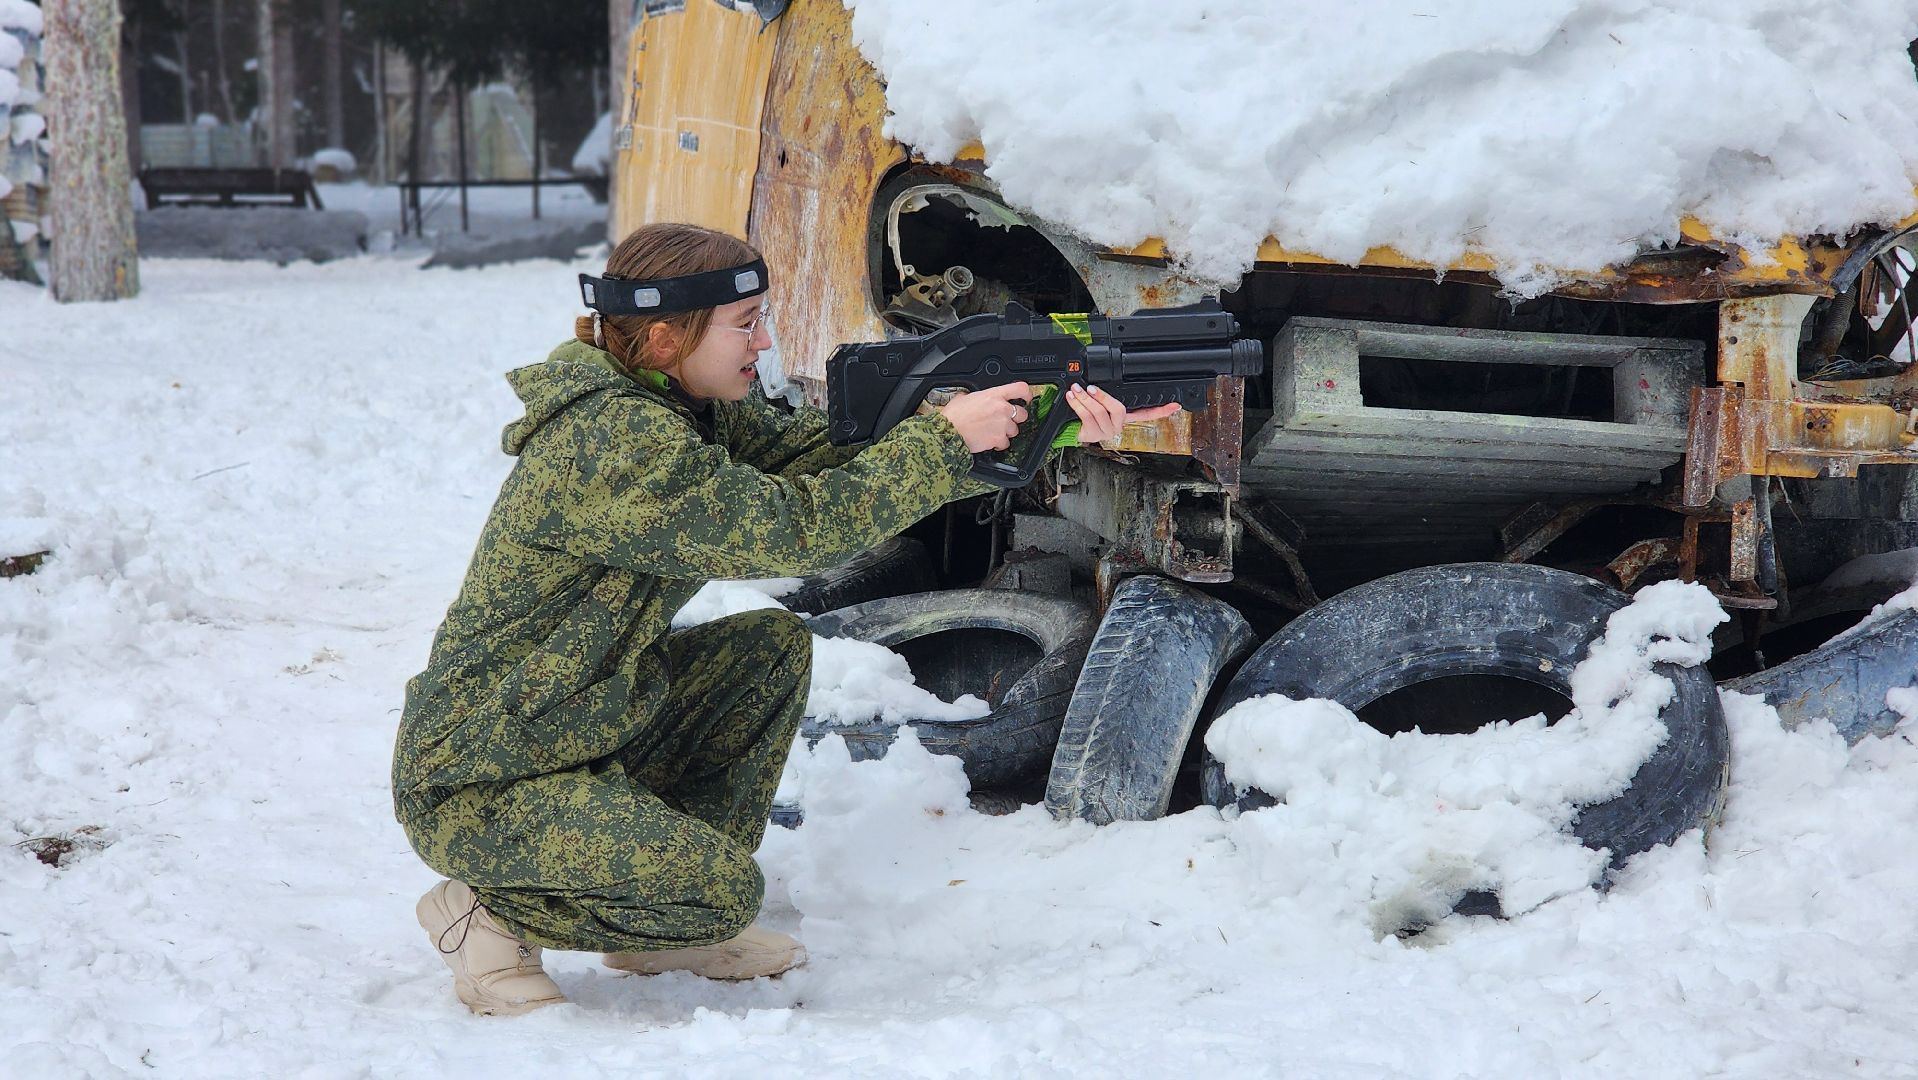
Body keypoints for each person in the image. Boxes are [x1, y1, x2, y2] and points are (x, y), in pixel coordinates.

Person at [391, 222, 1180, 1015]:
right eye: (746, 325)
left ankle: (659, 927)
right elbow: (796, 528)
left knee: (764, 649)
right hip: (484, 772)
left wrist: (1036, 421)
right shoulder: (609, 441)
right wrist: (942, 445)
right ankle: (485, 915)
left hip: (578, 724)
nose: (766, 342)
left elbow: (824, 460)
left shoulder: (678, 406)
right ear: (666, 338)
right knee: (725, 891)